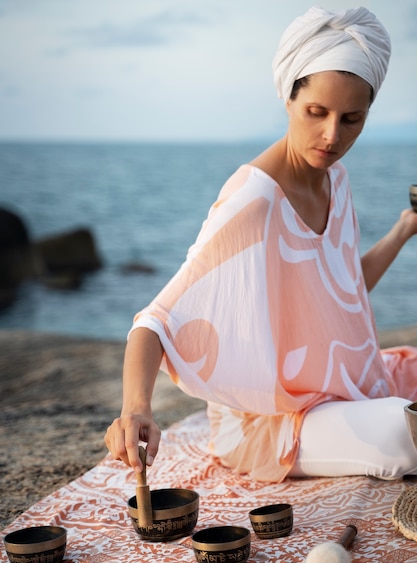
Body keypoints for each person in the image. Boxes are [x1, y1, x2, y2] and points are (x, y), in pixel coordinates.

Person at [105, 6, 417, 482]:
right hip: (273, 420)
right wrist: (135, 409)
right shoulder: (253, 200)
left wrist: (402, 230)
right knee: (407, 432)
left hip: (343, 388)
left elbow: (344, 290)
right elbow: (155, 322)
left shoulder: (336, 178)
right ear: (288, 99)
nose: (332, 136)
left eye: (352, 119)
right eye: (317, 112)